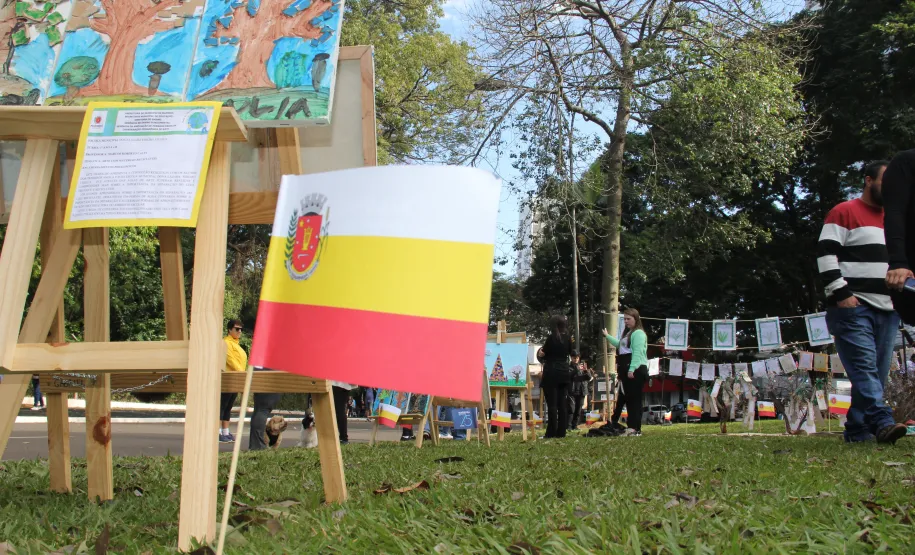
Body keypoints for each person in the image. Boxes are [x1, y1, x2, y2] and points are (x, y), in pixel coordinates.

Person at [819, 160, 907, 444]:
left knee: (875, 374)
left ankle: (857, 429)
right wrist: (841, 293)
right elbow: (825, 255)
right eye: (886, 181)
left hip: (890, 308)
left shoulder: (899, 220)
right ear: (868, 180)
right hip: (853, 307)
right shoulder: (844, 211)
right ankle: (882, 420)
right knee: (865, 368)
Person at [602, 308, 649, 436]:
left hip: (636, 369)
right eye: (625, 319)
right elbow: (620, 345)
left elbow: (638, 353)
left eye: (629, 319)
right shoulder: (629, 333)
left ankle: (635, 429)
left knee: (634, 400)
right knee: (628, 399)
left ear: (636, 319)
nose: (626, 322)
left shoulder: (638, 333)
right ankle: (631, 427)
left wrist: (632, 369)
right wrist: (607, 336)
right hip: (627, 368)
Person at [539, 315, 574, 438]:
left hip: (551, 372)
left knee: (552, 405)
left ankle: (551, 432)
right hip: (564, 372)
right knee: (562, 404)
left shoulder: (551, 338)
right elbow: (571, 352)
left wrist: (540, 353)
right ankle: (562, 432)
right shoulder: (568, 338)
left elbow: (543, 354)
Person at [220, 319, 247, 443]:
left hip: (236, 379)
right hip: (228, 379)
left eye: (241, 329)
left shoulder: (237, 345)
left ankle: (225, 431)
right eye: (237, 329)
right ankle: (218, 432)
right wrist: (242, 374)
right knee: (222, 406)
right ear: (230, 330)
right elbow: (230, 360)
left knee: (228, 407)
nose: (239, 331)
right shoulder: (225, 343)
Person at [568, 353, 591, 429]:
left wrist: (586, 371)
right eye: (574, 358)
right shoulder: (569, 367)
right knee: (571, 409)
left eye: (577, 358)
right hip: (572, 391)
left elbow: (588, 377)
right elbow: (569, 376)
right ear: (571, 358)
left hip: (582, 391)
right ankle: (569, 426)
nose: (576, 359)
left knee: (578, 410)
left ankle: (575, 425)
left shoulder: (582, 367)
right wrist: (576, 369)